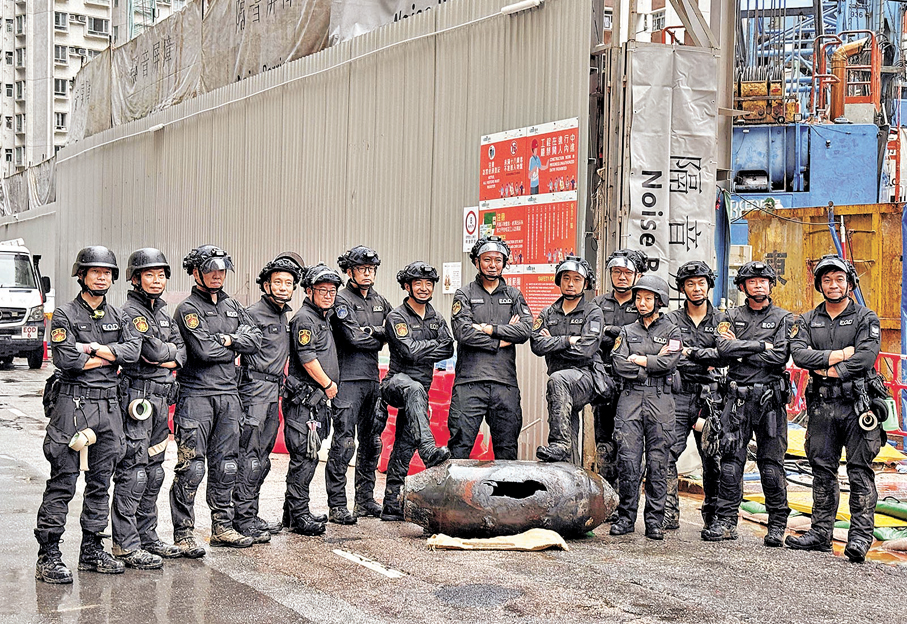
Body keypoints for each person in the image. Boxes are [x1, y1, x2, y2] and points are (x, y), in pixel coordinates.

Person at [35, 247, 141, 583]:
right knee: (63, 482)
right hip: (72, 407)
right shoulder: (65, 315)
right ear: (81, 275)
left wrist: (92, 350)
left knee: (100, 483)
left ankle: (92, 549)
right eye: (94, 271)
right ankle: (48, 554)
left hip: (109, 408)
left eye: (107, 272)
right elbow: (65, 360)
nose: (101, 277)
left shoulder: (120, 316)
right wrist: (111, 356)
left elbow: (133, 351)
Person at [787, 255, 883, 563]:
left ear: (849, 282)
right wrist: (841, 354)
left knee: (859, 471)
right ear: (819, 285)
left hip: (858, 404)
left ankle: (859, 537)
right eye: (827, 280)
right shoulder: (805, 320)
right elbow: (800, 355)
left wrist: (831, 369)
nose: (833, 285)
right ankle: (820, 533)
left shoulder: (865, 317)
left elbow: (866, 357)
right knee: (822, 470)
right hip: (822, 405)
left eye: (839, 279)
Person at [171, 245, 263, 556]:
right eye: (210, 269)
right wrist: (234, 344)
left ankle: (222, 527)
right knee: (192, 467)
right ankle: (183, 533)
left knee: (226, 466)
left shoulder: (234, 307)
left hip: (229, 397)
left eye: (221, 270)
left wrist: (229, 340)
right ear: (195, 272)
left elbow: (256, 339)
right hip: (196, 396)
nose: (216, 275)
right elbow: (204, 352)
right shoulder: (187, 310)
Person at [703, 260, 793, 546]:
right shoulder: (729, 315)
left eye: (763, 280)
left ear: (770, 285)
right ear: (742, 286)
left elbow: (779, 357)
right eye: (752, 281)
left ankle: (777, 524)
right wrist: (759, 346)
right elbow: (723, 349)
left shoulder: (784, 318)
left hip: (770, 401)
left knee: (771, 466)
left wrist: (741, 350)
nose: (758, 285)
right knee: (730, 462)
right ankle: (727, 521)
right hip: (737, 398)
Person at [112, 248, 185, 569]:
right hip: (136, 399)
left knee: (155, 471)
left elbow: (181, 353)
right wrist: (165, 353)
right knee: (134, 471)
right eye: (149, 275)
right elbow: (150, 352)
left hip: (160, 398)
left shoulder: (165, 314)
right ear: (135, 278)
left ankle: (148, 536)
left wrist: (166, 353)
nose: (156, 281)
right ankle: (125, 545)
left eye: (160, 275)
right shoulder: (131, 312)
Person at [233, 253, 304, 542]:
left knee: (262, 459)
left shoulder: (283, 315)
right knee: (248, 457)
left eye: (288, 283)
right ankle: (241, 518)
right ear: (266, 285)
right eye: (278, 282)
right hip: (254, 392)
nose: (284, 287)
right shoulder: (252, 314)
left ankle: (251, 514)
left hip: (274, 391)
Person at [609, 275, 681, 540]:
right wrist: (649, 365)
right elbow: (618, 364)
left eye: (648, 298)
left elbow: (670, 363)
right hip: (630, 400)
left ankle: (654, 520)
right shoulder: (627, 331)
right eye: (638, 298)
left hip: (661, 401)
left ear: (659, 301)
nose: (641, 303)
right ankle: (626, 518)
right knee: (628, 461)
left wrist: (639, 359)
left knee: (658, 462)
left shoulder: (672, 330)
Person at [448, 236, 532, 461]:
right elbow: (463, 333)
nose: (492, 264)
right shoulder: (464, 294)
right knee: (460, 448)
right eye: (487, 259)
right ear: (477, 262)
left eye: (498, 260)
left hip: (505, 384)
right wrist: (502, 339)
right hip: (469, 383)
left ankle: (505, 497)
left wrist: (488, 329)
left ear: (504, 263)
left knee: (507, 449)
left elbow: (525, 330)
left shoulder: (513, 295)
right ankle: (456, 498)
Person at [380, 262, 453, 521]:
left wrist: (422, 346)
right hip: (395, 385)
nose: (424, 288)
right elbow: (406, 352)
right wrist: (432, 345)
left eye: (428, 284)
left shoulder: (436, 317)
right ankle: (428, 449)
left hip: (419, 394)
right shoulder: (396, 317)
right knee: (412, 388)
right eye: (418, 284)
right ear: (407, 286)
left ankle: (391, 504)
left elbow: (449, 349)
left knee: (404, 444)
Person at [328, 246, 391, 521]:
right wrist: (379, 336)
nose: (367, 273)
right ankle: (337, 504)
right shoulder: (340, 301)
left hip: (372, 381)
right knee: (344, 443)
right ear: (349, 271)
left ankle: (364, 501)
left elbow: (396, 331)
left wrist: (373, 333)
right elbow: (352, 338)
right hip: (347, 381)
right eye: (362, 269)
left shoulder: (380, 300)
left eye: (371, 269)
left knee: (372, 442)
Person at [664, 261, 725, 534]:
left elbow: (725, 354)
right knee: (666, 454)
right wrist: (701, 356)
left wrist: (689, 353)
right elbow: (669, 355)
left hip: (711, 399)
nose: (696, 288)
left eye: (701, 283)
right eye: (690, 283)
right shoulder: (671, 320)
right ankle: (667, 514)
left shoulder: (723, 320)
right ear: (682, 288)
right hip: (677, 394)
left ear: (709, 285)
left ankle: (713, 516)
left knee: (713, 458)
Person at [531, 256, 611, 464]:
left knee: (558, 380)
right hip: (562, 383)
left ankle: (559, 443)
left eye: (577, 279)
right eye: (566, 278)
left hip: (587, 376)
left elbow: (587, 349)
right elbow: (537, 345)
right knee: (568, 427)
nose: (570, 283)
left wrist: (554, 344)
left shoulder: (593, 312)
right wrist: (568, 340)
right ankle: (571, 471)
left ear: (585, 283)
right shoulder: (548, 313)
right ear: (559, 280)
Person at [282, 263, 343, 536]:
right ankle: (299, 516)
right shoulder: (305, 319)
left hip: (315, 402)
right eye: (322, 290)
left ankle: (291, 513)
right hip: (304, 402)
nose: (328, 295)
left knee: (307, 455)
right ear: (309, 291)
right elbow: (307, 359)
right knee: (304, 458)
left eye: (332, 291)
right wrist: (328, 384)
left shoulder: (322, 317)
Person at [592, 249, 648, 484]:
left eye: (627, 272)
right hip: (604, 379)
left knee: (630, 444)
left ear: (638, 274)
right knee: (604, 443)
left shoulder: (644, 302)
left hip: (633, 383)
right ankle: (608, 497)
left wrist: (613, 334)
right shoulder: (597, 303)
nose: (621, 277)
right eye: (616, 272)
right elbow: (591, 339)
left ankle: (627, 504)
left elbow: (647, 341)